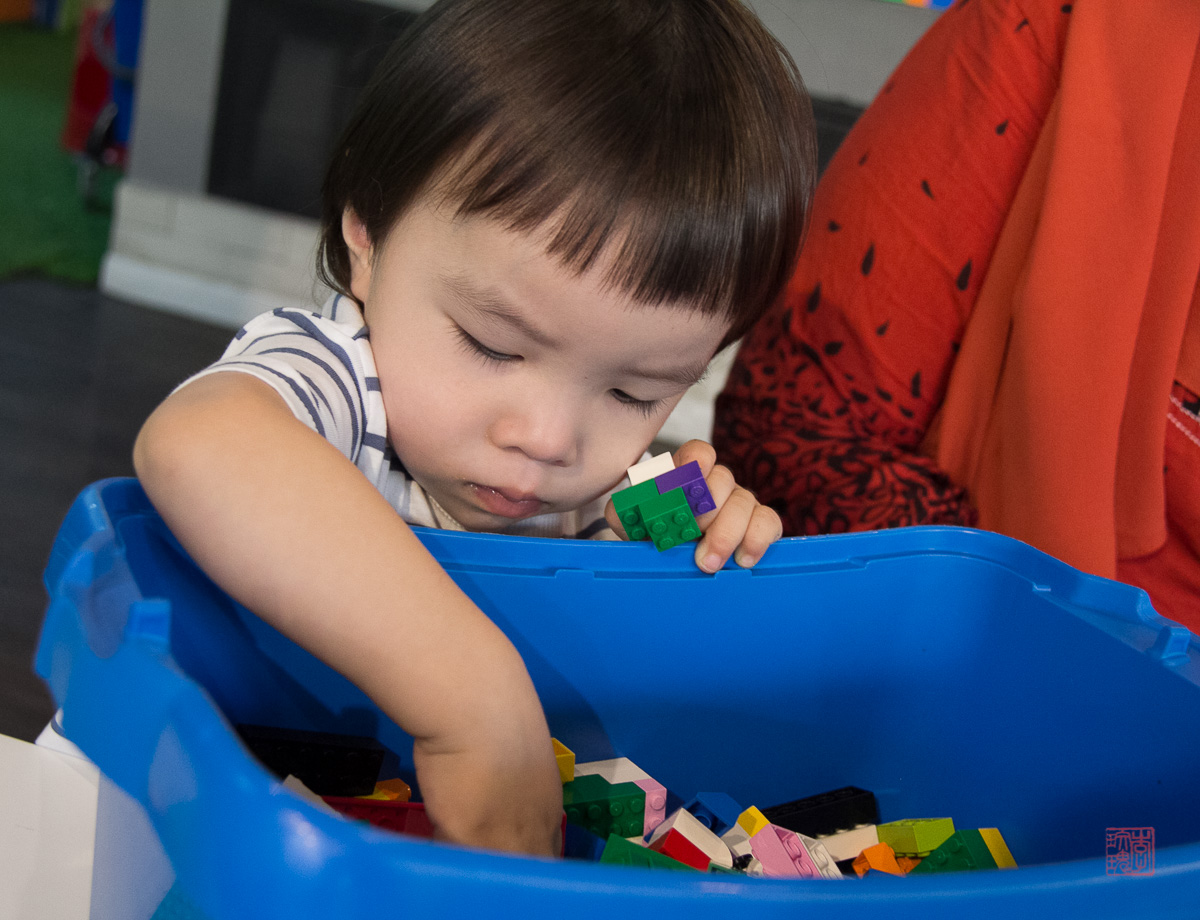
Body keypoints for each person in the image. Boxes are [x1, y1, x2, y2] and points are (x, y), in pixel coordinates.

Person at [133, 0, 816, 857]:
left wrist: (687, 541)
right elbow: (200, 442)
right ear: (367, 236)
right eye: (493, 346)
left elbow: (617, 619)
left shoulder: (596, 488)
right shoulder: (338, 379)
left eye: (632, 392)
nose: (549, 439)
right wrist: (474, 700)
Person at [714, 0, 1200, 628]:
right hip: (982, 648)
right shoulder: (1077, 29)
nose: (560, 441)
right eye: (632, 392)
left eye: (638, 395)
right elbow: (787, 438)